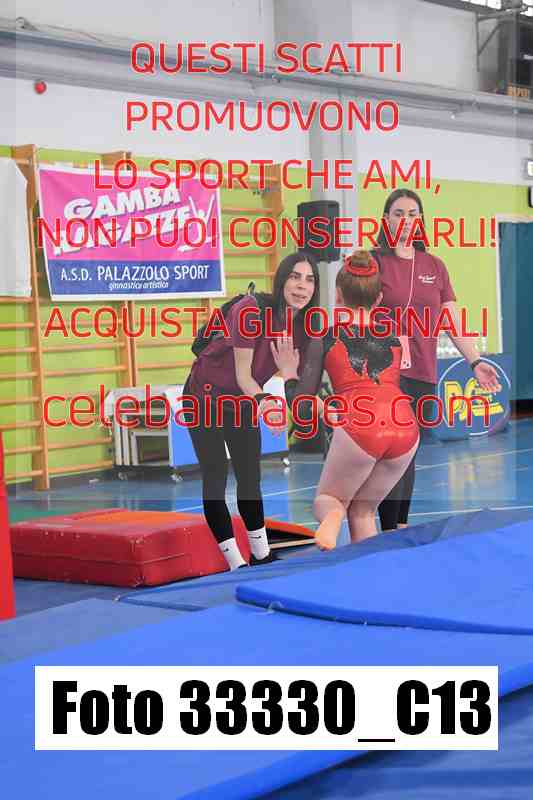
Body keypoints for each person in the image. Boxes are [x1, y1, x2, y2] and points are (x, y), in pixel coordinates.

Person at [271, 250, 420, 550]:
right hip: (405, 426)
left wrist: (288, 373)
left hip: (361, 425)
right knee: (363, 510)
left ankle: (331, 518)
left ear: (337, 295)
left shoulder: (325, 337)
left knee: (330, 499)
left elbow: (301, 407)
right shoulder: (393, 339)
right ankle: (369, 570)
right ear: (379, 299)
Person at [372, 189, 501, 532]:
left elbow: (452, 321)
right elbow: (352, 313)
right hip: (383, 373)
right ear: (386, 220)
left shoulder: (434, 266)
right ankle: (387, 530)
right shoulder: (373, 263)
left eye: (413, 214)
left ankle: (399, 527)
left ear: (421, 221)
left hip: (422, 371)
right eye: (398, 213)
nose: (406, 220)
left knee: (409, 451)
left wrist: (475, 361)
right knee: (390, 451)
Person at [182, 251, 320, 570]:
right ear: (281, 280)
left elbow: (297, 384)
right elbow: (243, 375)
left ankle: (260, 553)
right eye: (295, 277)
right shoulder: (250, 311)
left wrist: (290, 377)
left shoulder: (304, 327)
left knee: (249, 476)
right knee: (215, 476)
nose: (302, 286)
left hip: (245, 399)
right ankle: (235, 563)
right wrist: (266, 403)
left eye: (310, 280)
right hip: (205, 397)